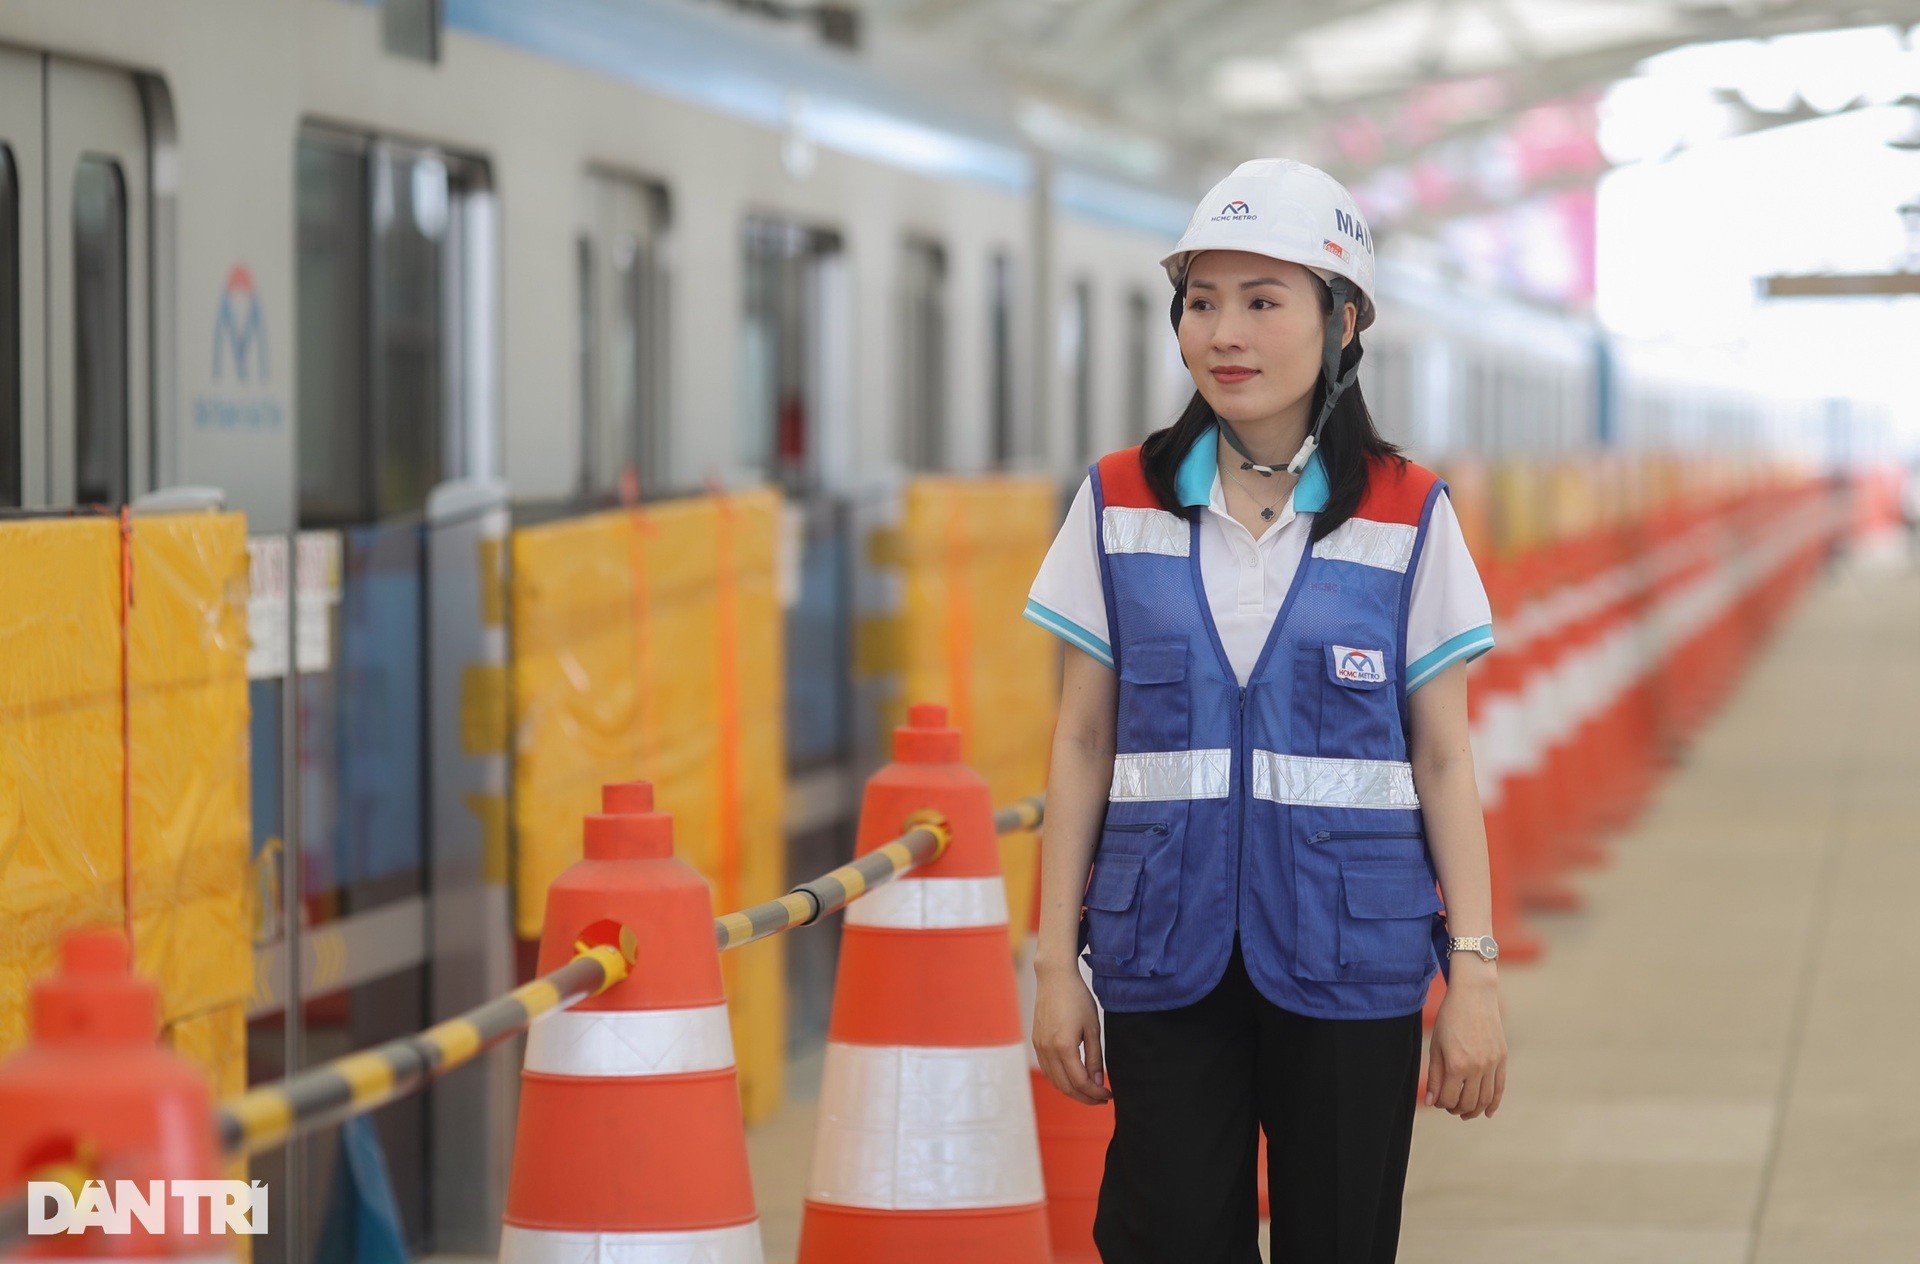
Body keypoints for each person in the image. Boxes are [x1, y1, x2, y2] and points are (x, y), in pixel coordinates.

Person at [1024, 159, 1508, 1264]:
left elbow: (1443, 759)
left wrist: (1471, 969)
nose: (1223, 332)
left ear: (1342, 325)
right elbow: (1082, 740)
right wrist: (1054, 965)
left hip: (1353, 958)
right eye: (1202, 301)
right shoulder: (1117, 503)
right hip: (1162, 951)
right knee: (1165, 1239)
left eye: (1262, 300)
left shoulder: (1406, 512)